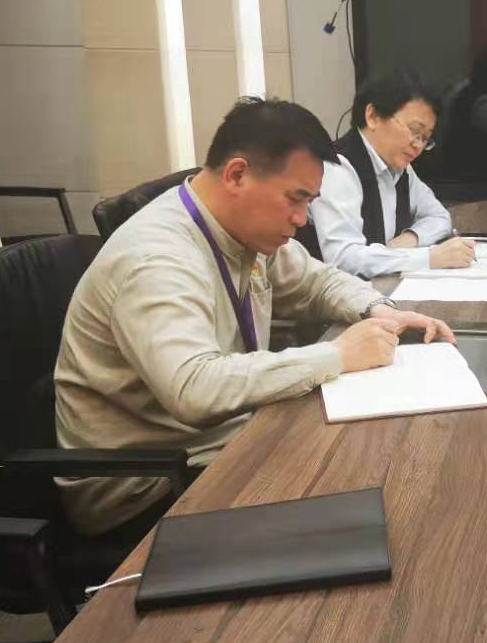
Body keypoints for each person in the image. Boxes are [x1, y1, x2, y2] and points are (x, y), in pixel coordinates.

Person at [55, 97, 455, 542]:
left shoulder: (239, 227)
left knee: (381, 458)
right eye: (295, 199)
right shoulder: (157, 258)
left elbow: (315, 281)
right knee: (369, 484)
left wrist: (377, 309)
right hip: (149, 486)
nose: (301, 219)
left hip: (223, 438)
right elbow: (194, 387)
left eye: (309, 202)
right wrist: (338, 355)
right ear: (237, 175)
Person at [309, 69, 476, 278]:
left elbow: (439, 217)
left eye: (425, 138)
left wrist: (409, 239)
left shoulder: (400, 167)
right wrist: (429, 258)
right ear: (372, 116)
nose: (418, 145)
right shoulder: (337, 167)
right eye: (414, 131)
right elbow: (343, 259)